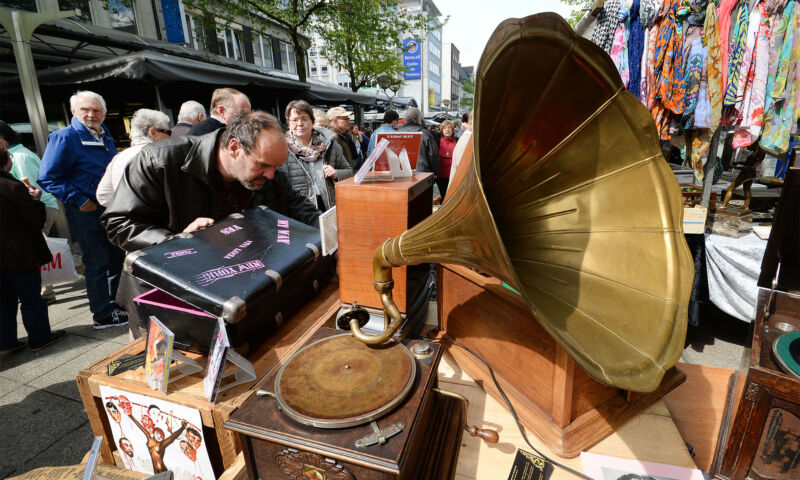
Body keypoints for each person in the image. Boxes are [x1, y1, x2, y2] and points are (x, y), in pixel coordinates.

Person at [102, 111, 322, 335]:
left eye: (276, 167)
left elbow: (302, 210)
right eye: (263, 165)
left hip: (236, 297)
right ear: (234, 147)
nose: (270, 175)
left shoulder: (267, 173)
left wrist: (337, 233)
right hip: (170, 305)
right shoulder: (162, 159)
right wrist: (178, 242)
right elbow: (118, 222)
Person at [38, 90, 127, 330]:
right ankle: (102, 315)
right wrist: (78, 199)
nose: (91, 114)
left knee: (117, 257)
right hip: (86, 210)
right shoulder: (64, 137)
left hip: (110, 208)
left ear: (104, 114)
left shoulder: (104, 133)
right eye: (85, 109)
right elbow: (47, 178)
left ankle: (116, 305)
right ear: (73, 111)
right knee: (97, 261)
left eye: (96, 110)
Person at [0, 143, 66, 354]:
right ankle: (39, 338)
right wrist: (37, 201)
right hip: (20, 254)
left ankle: (6, 343)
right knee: (31, 299)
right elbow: (35, 222)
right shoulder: (12, 187)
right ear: (5, 162)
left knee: (4, 301)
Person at [0, 121, 61, 303]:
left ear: (3, 139)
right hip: (30, 209)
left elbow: (30, 188)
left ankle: (46, 292)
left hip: (39, 207)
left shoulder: (19, 157)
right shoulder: (15, 154)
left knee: (33, 251)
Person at [282, 100, 352, 211]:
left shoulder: (330, 145)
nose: (299, 123)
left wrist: (336, 173)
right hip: (300, 211)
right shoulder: (282, 149)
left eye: (304, 119)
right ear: (289, 123)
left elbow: (349, 171)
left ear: (312, 121)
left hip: (329, 207)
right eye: (294, 120)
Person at [96, 109, 171, 206]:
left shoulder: (118, 158)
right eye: (168, 132)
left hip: (129, 218)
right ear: (153, 132)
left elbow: (103, 195)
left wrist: (125, 206)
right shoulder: (163, 154)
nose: (170, 137)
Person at [398, 107, 439, 174]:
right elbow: (433, 156)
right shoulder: (426, 134)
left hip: (401, 173)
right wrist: (435, 172)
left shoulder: (396, 133)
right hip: (422, 174)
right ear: (419, 118)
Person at [437, 120, 458, 199]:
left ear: (452, 130)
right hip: (441, 175)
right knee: (444, 196)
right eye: (445, 128)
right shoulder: (437, 141)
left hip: (454, 174)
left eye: (449, 128)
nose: (447, 130)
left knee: (453, 196)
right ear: (442, 130)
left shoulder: (457, 140)